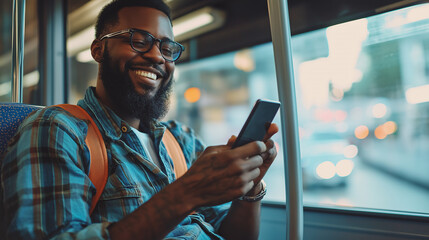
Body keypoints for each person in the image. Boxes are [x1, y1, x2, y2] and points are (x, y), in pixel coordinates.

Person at [0, 0, 279, 239]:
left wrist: (249, 189)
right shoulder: (58, 129)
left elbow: (230, 233)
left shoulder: (180, 139)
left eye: (167, 48)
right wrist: (186, 193)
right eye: (139, 40)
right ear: (98, 50)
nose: (157, 56)